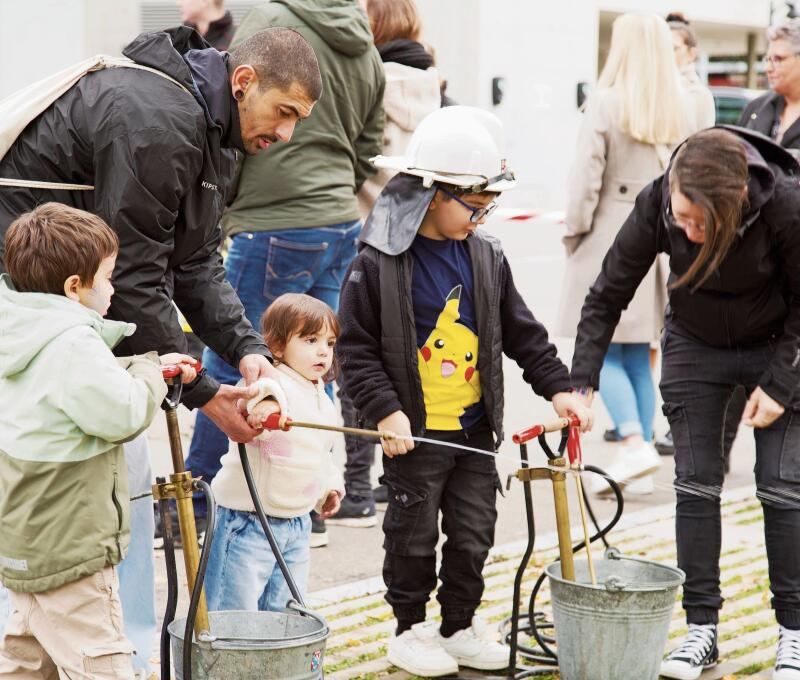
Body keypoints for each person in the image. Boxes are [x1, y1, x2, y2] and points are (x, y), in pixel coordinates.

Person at [0, 26, 322, 677]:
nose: (285, 134)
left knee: (103, 467)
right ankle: (98, 642)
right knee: (70, 460)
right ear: (244, 82)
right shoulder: (159, 119)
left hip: (81, 292)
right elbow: (139, 280)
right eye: (283, 112)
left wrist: (247, 348)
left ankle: (81, 633)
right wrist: (201, 393)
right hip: (28, 288)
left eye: (299, 122)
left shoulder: (221, 139)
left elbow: (195, 263)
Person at [337, 105, 593, 678]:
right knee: (411, 538)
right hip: (416, 435)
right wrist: (385, 411)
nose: (483, 217)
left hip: (475, 430)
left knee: (474, 535)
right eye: (475, 206)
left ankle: (457, 625)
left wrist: (560, 390)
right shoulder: (377, 261)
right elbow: (353, 351)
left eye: (489, 207)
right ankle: (409, 629)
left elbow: (523, 333)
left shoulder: (487, 254)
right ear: (433, 194)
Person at [569, 127, 800, 680]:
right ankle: (702, 631)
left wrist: (780, 385)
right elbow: (608, 290)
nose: (688, 232)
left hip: (778, 345)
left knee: (781, 486)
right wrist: (580, 384)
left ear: (735, 206)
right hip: (696, 344)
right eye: (681, 220)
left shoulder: (786, 207)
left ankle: (793, 634)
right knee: (695, 484)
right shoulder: (661, 199)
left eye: (701, 224)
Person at [184, 0, 384, 547]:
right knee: (312, 364)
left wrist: (229, 204)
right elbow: (371, 142)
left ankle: (197, 504)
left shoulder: (270, 22)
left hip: (271, 221)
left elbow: (226, 113)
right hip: (339, 217)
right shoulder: (363, 41)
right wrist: (337, 185)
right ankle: (306, 506)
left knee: (233, 356)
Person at [0, 203, 196, 678]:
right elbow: (122, 412)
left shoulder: (22, 332)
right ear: (74, 287)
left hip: (27, 540)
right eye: (108, 277)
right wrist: (150, 369)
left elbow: (72, 387)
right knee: (101, 661)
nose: (113, 288)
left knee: (27, 659)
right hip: (73, 547)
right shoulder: (74, 343)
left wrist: (134, 367)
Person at [556, 12, 696, 496]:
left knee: (597, 341)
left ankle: (633, 440)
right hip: (661, 232)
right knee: (637, 350)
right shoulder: (683, 104)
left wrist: (574, 232)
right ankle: (639, 451)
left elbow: (584, 178)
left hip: (609, 229)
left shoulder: (606, 102)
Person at [339, 0, 441, 509]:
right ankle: (393, 477)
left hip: (366, 232)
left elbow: (355, 157)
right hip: (419, 235)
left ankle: (355, 487)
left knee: (354, 356)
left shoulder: (367, 79)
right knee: (405, 356)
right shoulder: (436, 86)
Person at [205, 293, 344, 611]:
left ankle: (275, 659)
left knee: (286, 611)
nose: (323, 350)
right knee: (233, 613)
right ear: (278, 346)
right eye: (310, 340)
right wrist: (266, 406)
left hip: (297, 524)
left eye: (330, 342)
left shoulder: (319, 393)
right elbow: (256, 397)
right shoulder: (274, 380)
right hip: (248, 523)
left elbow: (322, 450)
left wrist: (328, 487)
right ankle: (229, 661)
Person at [668, 12, 716, 131]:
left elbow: (704, 143)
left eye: (674, 48)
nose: (666, 54)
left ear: (692, 54)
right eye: (662, 47)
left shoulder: (700, 95)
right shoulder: (650, 87)